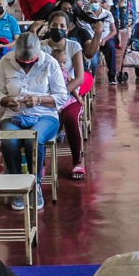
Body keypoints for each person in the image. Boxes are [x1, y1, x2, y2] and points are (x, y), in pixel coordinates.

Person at [0, 32, 67, 211]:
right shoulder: (5, 62)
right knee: (10, 141)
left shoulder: (50, 63)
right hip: (14, 115)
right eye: (21, 60)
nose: (26, 63)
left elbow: (61, 97)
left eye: (30, 60)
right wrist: (6, 101)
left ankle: (36, 185)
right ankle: (18, 186)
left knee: (33, 139)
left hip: (45, 115)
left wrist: (39, 100)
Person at [44, 10, 90, 179]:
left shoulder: (74, 46)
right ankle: (40, 163)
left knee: (70, 117)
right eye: (54, 25)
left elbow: (79, 78)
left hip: (69, 95)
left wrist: (61, 95)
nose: (58, 28)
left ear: (68, 28)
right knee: (38, 121)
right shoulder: (41, 47)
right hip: (45, 98)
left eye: (62, 25)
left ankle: (77, 161)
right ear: (48, 27)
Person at [86, 0, 119, 84]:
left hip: (106, 39)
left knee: (111, 49)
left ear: (100, 3)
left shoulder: (107, 14)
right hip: (92, 41)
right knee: (92, 59)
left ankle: (112, 76)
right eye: (91, 2)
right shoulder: (86, 15)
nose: (94, 4)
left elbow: (114, 31)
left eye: (96, 2)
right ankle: (90, 78)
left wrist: (105, 39)